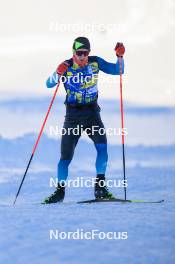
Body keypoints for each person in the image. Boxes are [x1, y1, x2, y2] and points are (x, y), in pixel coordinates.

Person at [44, 37, 125, 203]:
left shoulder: (95, 62)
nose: (82, 57)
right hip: (73, 116)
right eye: (78, 53)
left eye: (85, 53)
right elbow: (49, 84)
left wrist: (120, 56)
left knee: (102, 148)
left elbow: (118, 70)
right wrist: (57, 73)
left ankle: (100, 188)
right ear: (73, 53)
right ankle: (59, 192)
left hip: (92, 113)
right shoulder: (66, 66)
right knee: (65, 157)